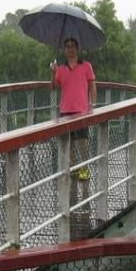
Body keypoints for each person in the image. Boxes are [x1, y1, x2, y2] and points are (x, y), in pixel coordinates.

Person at [52, 37, 96, 185]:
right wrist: (53, 72)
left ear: (77, 49)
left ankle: (84, 169)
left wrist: (93, 105)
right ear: (64, 50)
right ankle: (74, 168)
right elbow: (53, 87)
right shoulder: (61, 69)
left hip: (81, 110)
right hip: (65, 110)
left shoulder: (86, 66)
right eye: (67, 47)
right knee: (69, 143)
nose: (70, 49)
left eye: (72, 46)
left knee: (82, 142)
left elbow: (92, 85)